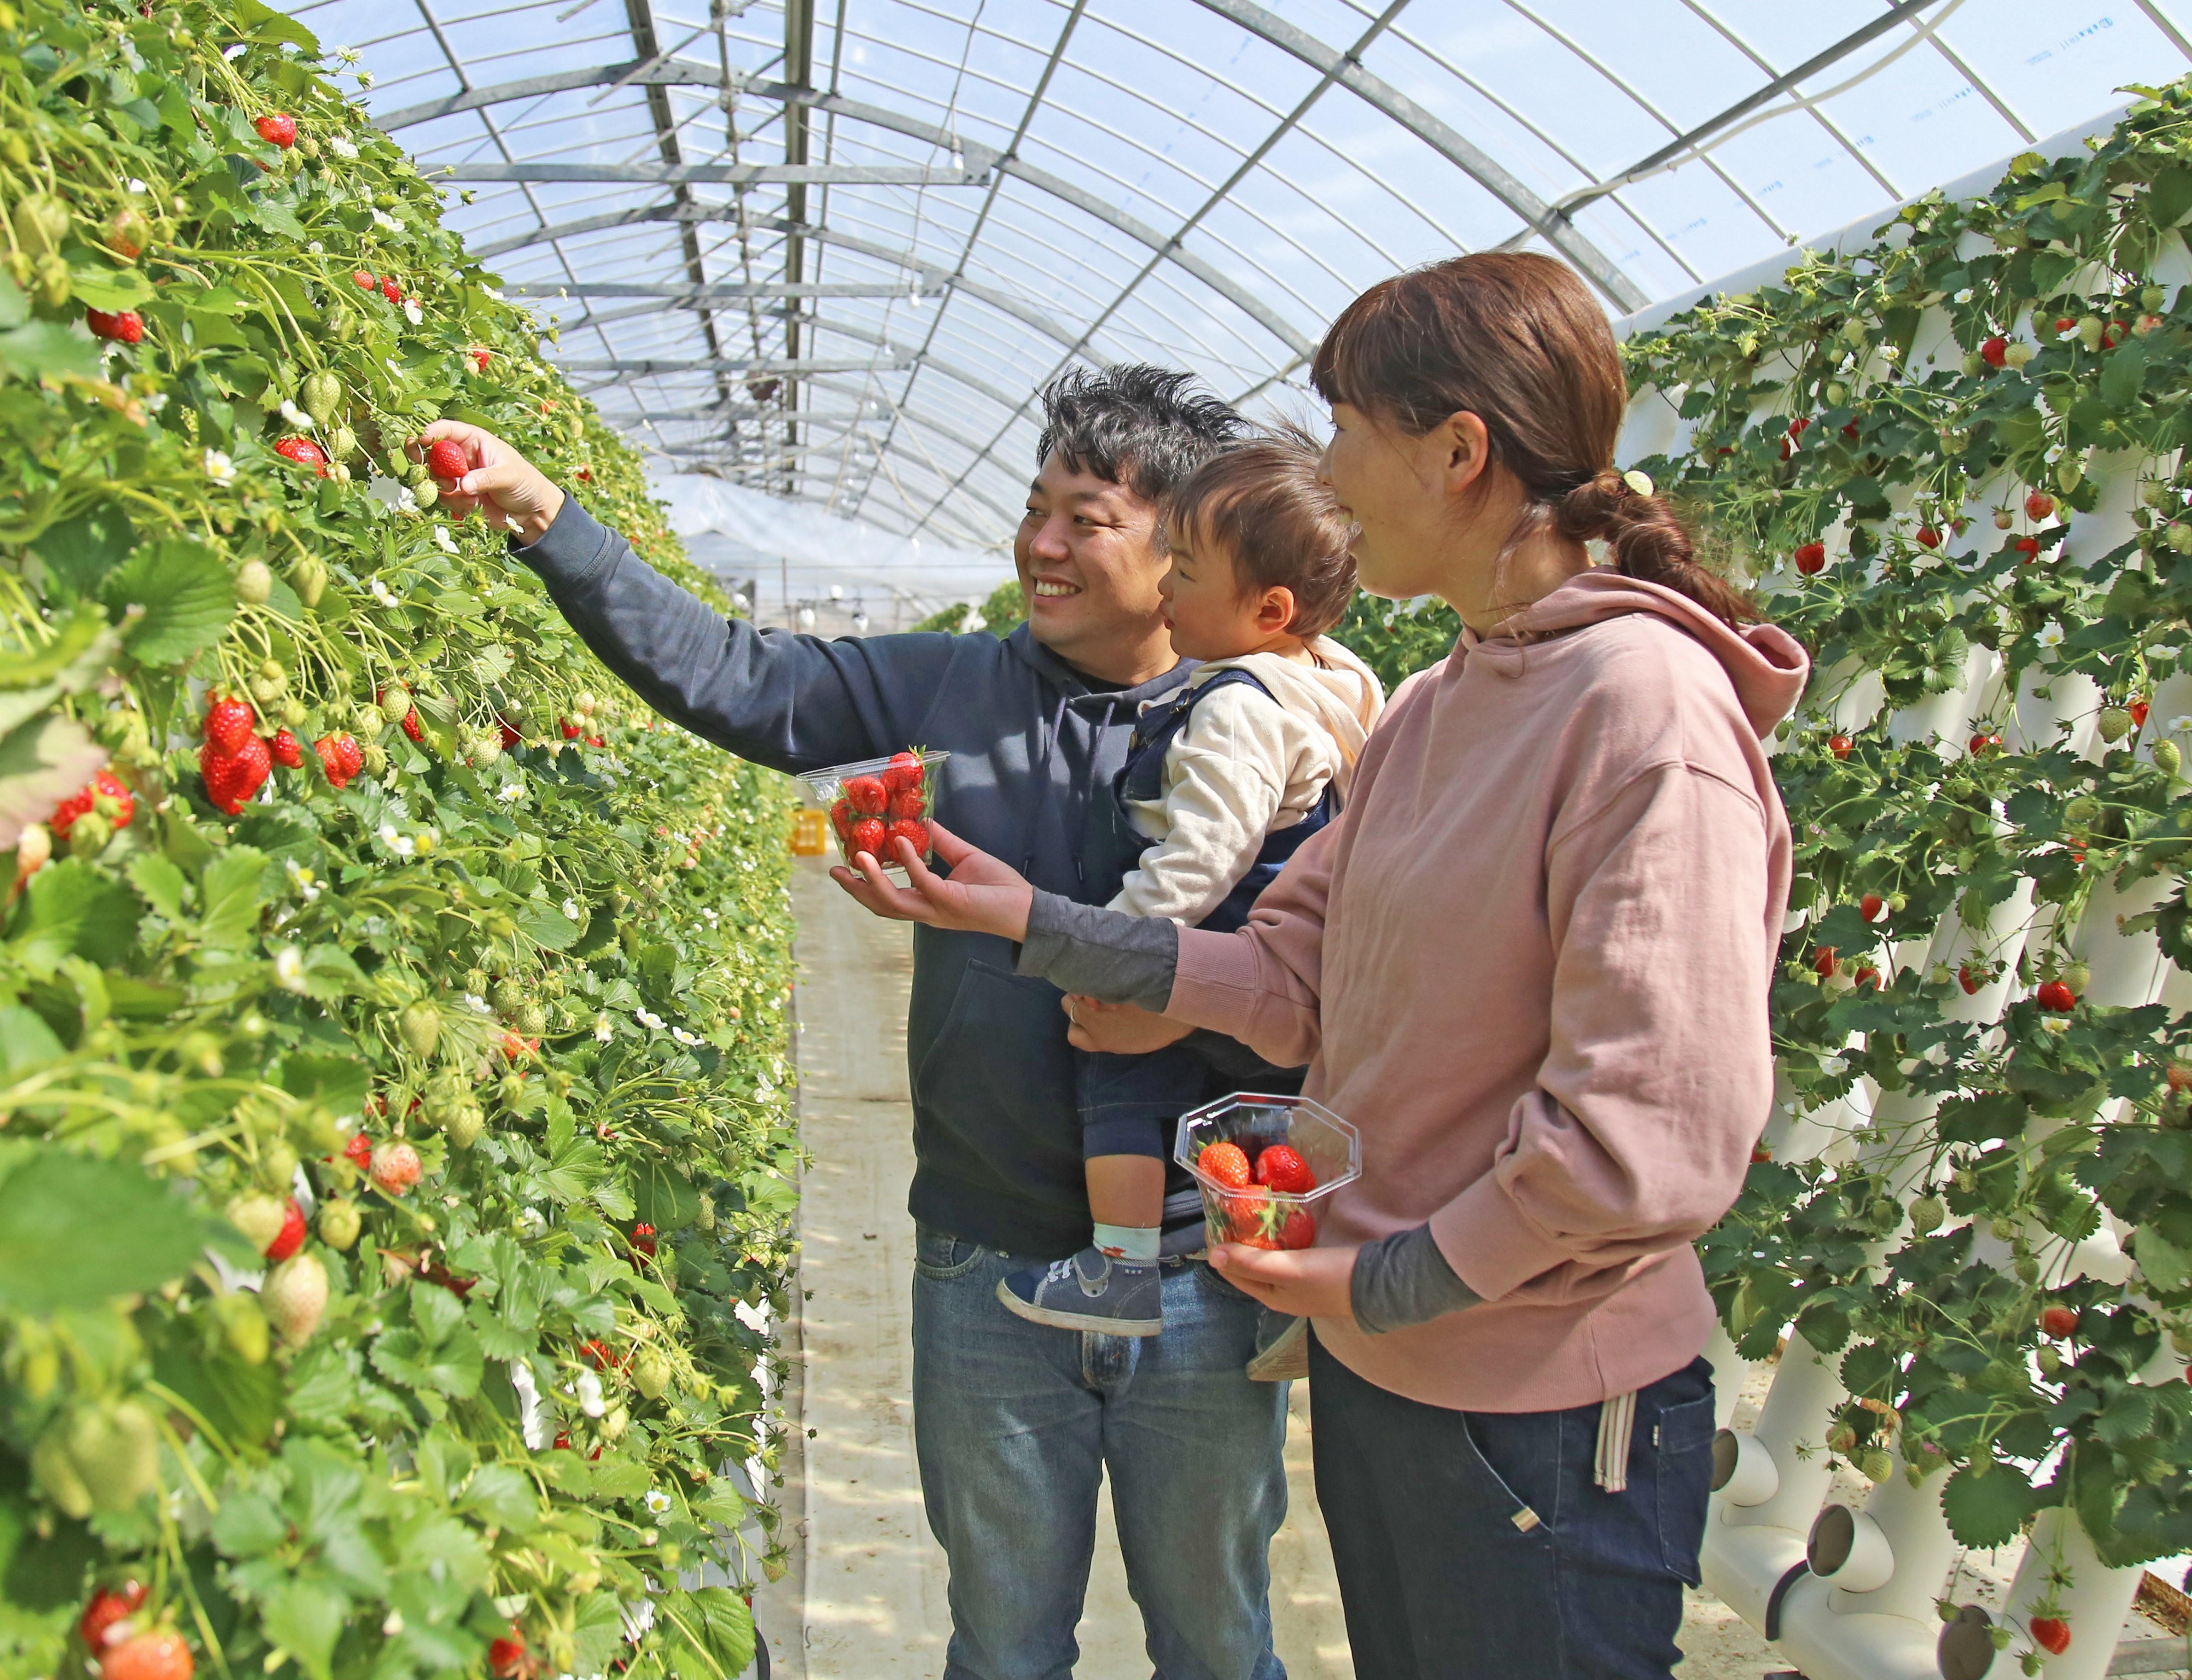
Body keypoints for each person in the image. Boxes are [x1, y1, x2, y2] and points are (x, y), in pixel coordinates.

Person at [828, 251, 1810, 1679]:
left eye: (1349, 423)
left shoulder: (1640, 716)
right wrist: (1024, 920)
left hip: (1537, 1406)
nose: (1330, 469)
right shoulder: (1433, 705)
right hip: (1390, 1368)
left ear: (1457, 451)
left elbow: (1650, 1139)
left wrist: (1393, 1279)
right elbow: (1285, 974)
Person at [414, 367, 1300, 1680]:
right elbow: (746, 679)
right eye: (1034, 509)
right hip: (986, 1266)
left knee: (1217, 1646)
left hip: (1198, 1278)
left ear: (1185, 546)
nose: (1041, 545)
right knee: (1000, 1648)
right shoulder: (958, 684)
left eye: (1085, 519)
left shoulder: (1266, 732)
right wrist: (553, 518)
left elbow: (1314, 981)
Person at [998, 428, 1384, 1341]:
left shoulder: (1237, 709)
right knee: (1262, 1133)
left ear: (1270, 608)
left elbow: (1202, 858)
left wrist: (1116, 949)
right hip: (1286, 959)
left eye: (1190, 572)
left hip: (1215, 938)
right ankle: (1283, 1266)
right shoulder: (1330, 680)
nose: (1167, 587)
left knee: (1118, 1070)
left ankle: (1122, 1268)